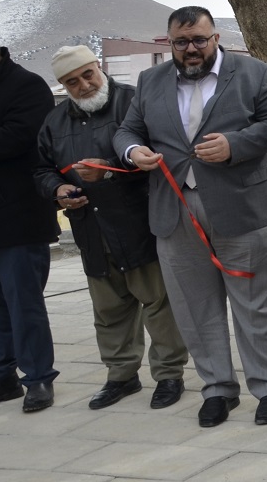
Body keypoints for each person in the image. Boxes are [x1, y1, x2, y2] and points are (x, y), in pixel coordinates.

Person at [114, 7, 267, 428]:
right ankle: (217, 388)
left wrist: (236, 144)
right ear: (170, 43)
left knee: (257, 305)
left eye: (199, 39)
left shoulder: (255, 73)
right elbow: (127, 131)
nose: (191, 49)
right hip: (174, 211)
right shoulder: (149, 81)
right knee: (194, 308)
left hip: (242, 208)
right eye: (181, 42)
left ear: (216, 38)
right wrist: (132, 152)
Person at [35, 45, 188, 411]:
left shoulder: (134, 103)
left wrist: (109, 169)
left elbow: (162, 155)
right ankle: (121, 375)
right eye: (72, 82)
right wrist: (58, 189)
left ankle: (169, 375)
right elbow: (40, 169)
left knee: (158, 304)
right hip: (91, 227)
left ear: (99, 67)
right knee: (108, 309)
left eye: (88, 74)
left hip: (137, 223)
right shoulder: (54, 122)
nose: (84, 85)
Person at [0, 26, 59, 412]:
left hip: (17, 217)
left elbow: (18, 137)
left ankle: (38, 379)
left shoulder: (26, 86)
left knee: (23, 303)